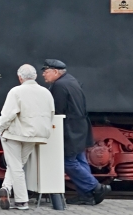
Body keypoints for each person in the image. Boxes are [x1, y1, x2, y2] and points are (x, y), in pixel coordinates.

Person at [42, 59, 107, 205]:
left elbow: (57, 111)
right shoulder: (71, 80)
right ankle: (87, 196)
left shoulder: (59, 85)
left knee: (68, 161)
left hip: (70, 129)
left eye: (46, 71)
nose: (44, 75)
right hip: (80, 126)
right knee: (79, 159)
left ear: (55, 71)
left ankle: (95, 186)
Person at [0, 64, 53, 210]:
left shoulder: (16, 91)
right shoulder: (46, 92)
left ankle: (21, 201)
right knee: (18, 164)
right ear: (35, 76)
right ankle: (6, 188)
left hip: (14, 134)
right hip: (35, 135)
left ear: (20, 77)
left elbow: (7, 115)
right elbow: (51, 113)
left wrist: (0, 130)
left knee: (15, 166)